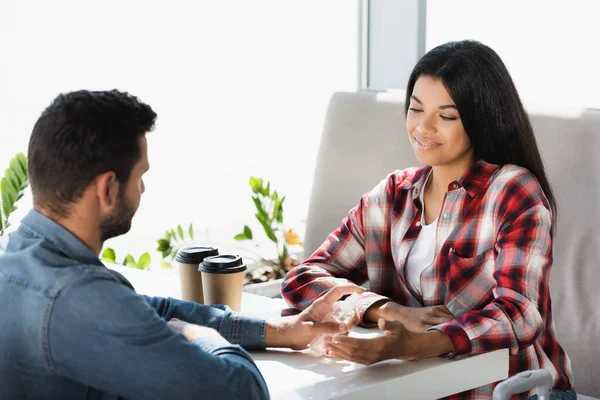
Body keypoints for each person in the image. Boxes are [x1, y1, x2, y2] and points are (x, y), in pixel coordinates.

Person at [0, 90, 363, 400]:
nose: (142, 189)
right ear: (107, 189)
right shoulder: (79, 299)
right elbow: (241, 392)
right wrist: (201, 337)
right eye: (140, 176)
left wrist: (278, 331)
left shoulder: (22, 263)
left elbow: (150, 309)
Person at [281, 40, 575, 400]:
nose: (424, 127)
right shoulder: (392, 195)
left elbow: (519, 314)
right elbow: (303, 278)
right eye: (416, 109)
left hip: (518, 393)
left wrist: (414, 345)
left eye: (446, 116)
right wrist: (383, 309)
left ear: (480, 120)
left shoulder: (513, 191)